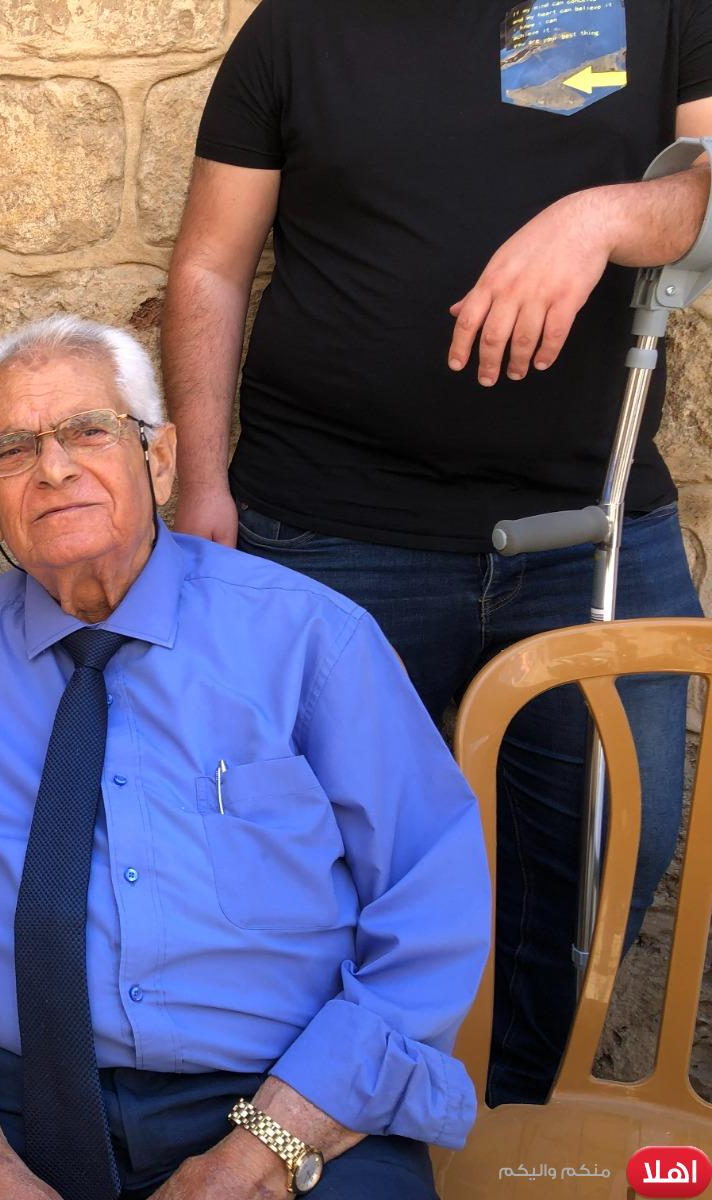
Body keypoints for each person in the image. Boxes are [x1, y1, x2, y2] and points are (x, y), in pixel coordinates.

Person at [160, 0, 712, 1107]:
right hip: (328, 529)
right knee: (309, 864)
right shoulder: (296, 29)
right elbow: (212, 266)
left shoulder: (657, 9)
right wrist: (200, 484)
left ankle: (512, 1126)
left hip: (587, 524)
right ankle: (324, 1128)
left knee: (605, 855)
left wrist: (604, 214)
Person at [0, 315, 490, 1200]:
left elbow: (429, 905)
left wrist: (260, 1154)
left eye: (89, 431)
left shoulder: (313, 643)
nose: (53, 469)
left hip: (276, 1091)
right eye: (12, 450)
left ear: (160, 460)